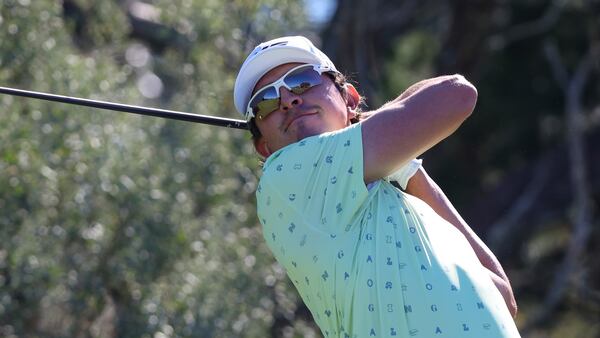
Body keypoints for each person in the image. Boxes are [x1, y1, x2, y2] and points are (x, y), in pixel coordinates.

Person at [233, 36, 520, 338]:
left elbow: (502, 297)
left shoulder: (402, 200)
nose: (288, 100)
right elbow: (457, 94)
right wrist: (374, 129)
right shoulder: (286, 174)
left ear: (350, 98)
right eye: (265, 102)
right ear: (264, 147)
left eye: (303, 81)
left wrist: (406, 167)